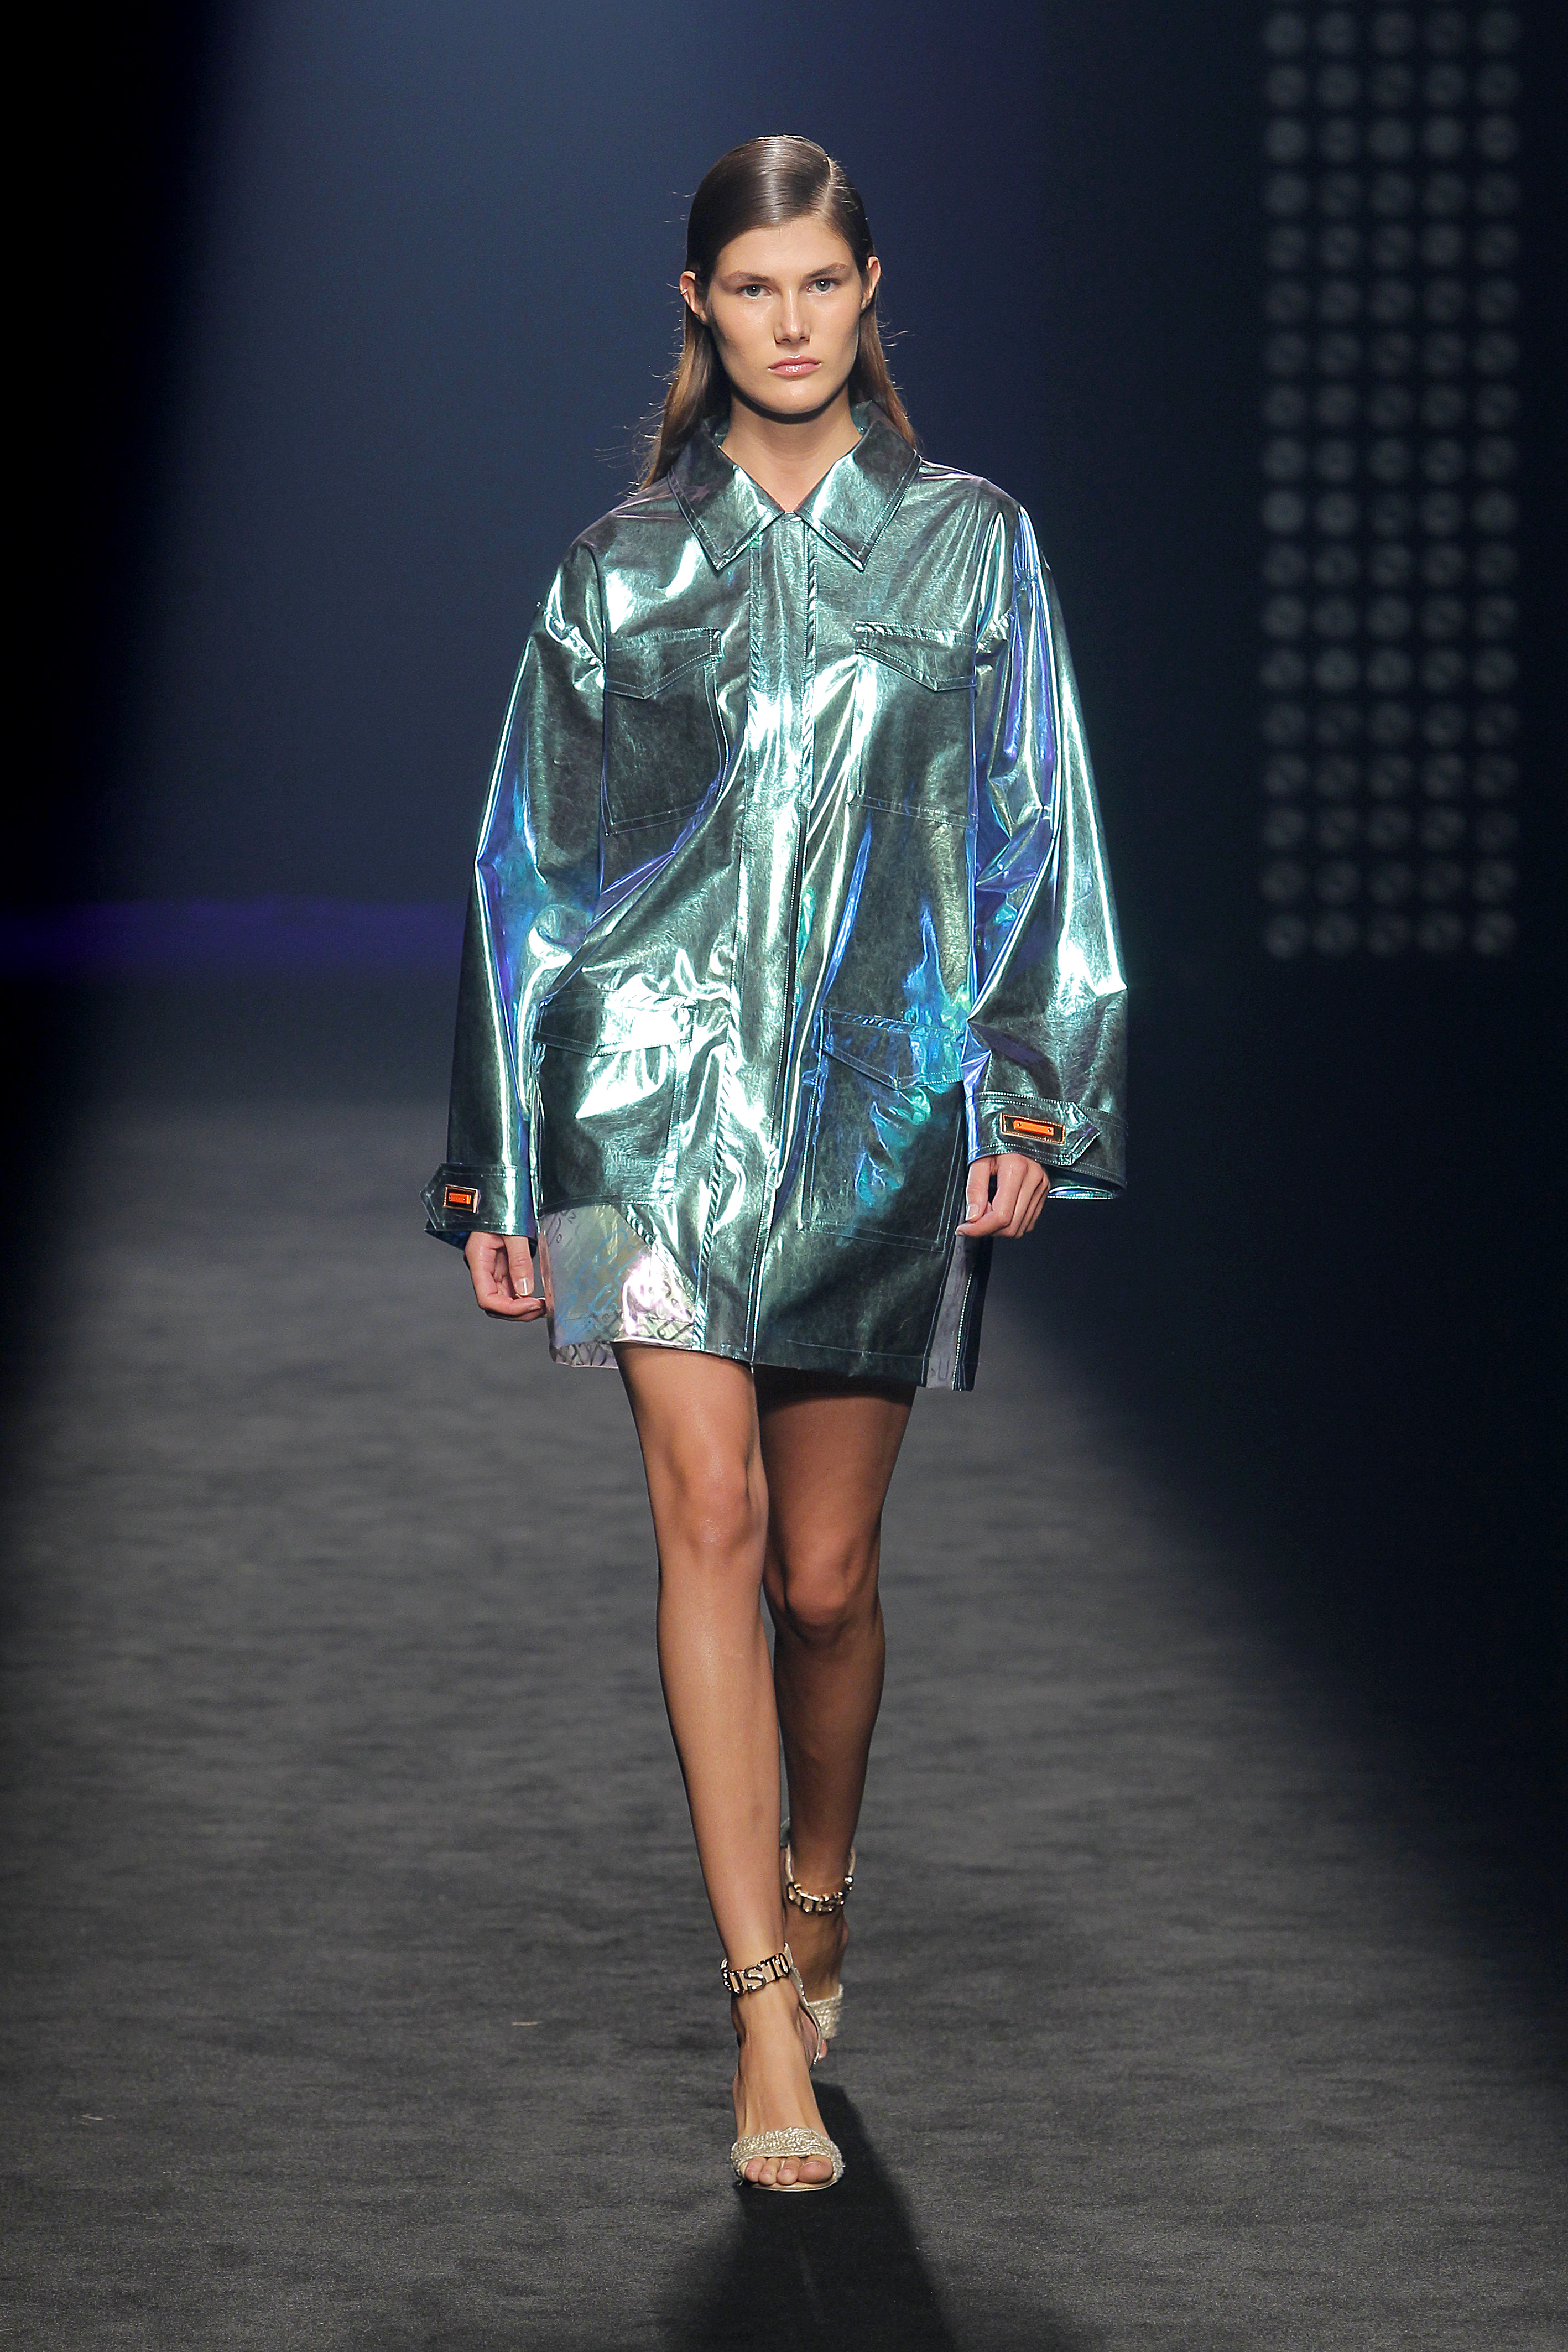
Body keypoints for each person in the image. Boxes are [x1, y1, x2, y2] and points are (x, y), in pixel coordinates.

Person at [424, 135, 1126, 2192]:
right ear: (699, 307)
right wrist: (497, 1164)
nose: (791, 320)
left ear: (869, 290)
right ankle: (757, 2017)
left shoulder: (973, 545)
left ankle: (822, 1886)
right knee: (707, 1521)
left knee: (825, 1582)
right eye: (754, 287)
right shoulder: (615, 569)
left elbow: (1037, 827)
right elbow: (526, 875)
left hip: (882, 1106)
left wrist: (1033, 1093)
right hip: (643, 1108)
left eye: (822, 282)